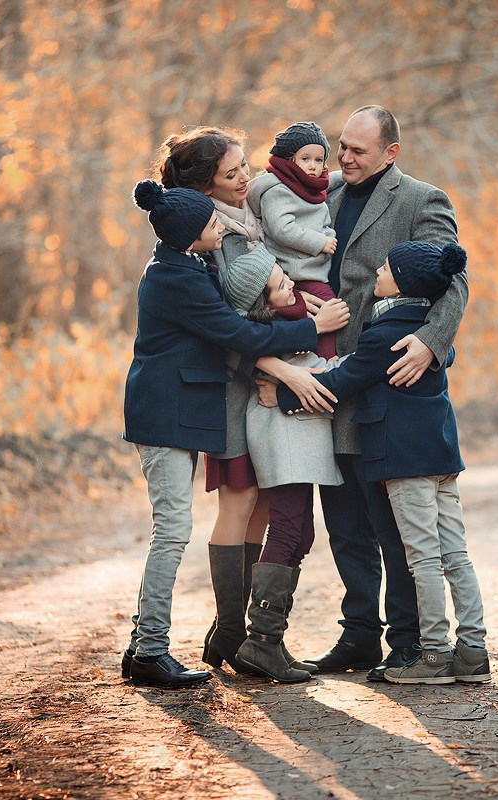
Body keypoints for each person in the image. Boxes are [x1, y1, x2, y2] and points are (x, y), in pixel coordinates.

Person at [262, 105, 470, 681]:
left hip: (386, 382)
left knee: (394, 524)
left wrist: (430, 341)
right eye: (341, 147)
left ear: (391, 153)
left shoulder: (421, 200)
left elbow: (453, 280)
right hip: (323, 371)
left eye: (357, 150)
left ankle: (407, 641)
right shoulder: (315, 192)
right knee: (345, 522)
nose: (343, 158)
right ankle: (359, 636)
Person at [120, 180, 349, 688]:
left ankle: (158, 644)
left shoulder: (185, 264)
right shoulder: (175, 279)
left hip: (180, 413)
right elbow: (238, 334)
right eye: (210, 223)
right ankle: (150, 649)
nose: (221, 225)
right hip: (165, 415)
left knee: (174, 529)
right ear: (188, 236)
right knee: (172, 530)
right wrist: (312, 330)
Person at [275, 241, 489, 684]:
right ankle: (473, 650)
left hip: (402, 462)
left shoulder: (382, 334)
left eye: (387, 266)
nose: (378, 268)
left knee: (423, 559)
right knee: (455, 554)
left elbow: (341, 383)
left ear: (404, 282)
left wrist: (280, 394)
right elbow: (435, 355)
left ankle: (432, 655)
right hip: (442, 456)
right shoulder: (429, 335)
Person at [155, 126, 285, 675]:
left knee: (266, 501)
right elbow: (233, 324)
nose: (245, 179)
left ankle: (238, 631)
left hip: (263, 385)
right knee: (240, 499)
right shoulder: (213, 240)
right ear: (206, 189)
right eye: (233, 175)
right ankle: (230, 629)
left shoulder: (245, 219)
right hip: (234, 386)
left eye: (244, 168)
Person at [217, 244, 342, 682]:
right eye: (281, 284)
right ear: (262, 300)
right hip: (279, 429)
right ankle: (260, 641)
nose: (291, 283)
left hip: (296, 433)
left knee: (302, 531)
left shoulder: (286, 320)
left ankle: (271, 639)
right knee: (289, 526)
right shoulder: (271, 330)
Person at [247, 121, 340, 358]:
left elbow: (322, 223)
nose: (313, 166)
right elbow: (282, 228)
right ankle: (328, 360)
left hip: (311, 267)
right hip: (296, 269)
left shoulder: (309, 188)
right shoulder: (278, 190)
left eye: (318, 160)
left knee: (312, 315)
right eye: (305, 159)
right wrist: (319, 242)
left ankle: (309, 359)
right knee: (328, 309)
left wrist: (327, 236)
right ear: (290, 160)